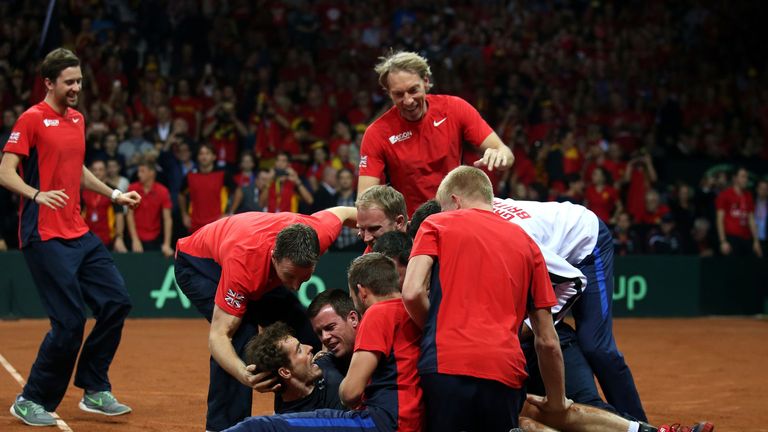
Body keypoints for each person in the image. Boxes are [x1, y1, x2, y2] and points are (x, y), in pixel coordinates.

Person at [0, 48, 140, 427]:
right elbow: (5, 171)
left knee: (116, 301)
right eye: (69, 82)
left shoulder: (77, 118)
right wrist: (36, 193)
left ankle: (94, 388)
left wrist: (113, 194)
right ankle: (31, 399)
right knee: (69, 322)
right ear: (48, 83)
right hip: (43, 234)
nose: (77, 87)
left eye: (79, 80)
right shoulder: (31, 119)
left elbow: (75, 168)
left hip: (78, 231)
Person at [403, 166, 569, 431]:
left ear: (455, 200)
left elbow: (411, 292)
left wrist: (434, 330)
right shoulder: (527, 243)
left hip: (446, 364)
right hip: (505, 370)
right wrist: (557, 401)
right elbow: (547, 340)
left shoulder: (436, 223)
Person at [173, 206, 357, 431]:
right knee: (242, 335)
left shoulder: (318, 233)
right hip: (200, 265)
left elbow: (348, 213)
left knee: (301, 327)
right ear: (274, 256)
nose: (296, 286)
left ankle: (313, 406)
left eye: (304, 278)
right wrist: (244, 375)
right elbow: (219, 337)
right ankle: (223, 426)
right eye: (290, 276)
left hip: (256, 263)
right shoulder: (244, 264)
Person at [224, 252, 423, 432]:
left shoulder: (376, 314)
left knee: (259, 427)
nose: (322, 340)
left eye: (353, 298)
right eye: (320, 332)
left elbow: (350, 394)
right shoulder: (413, 313)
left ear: (361, 292)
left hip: (381, 421)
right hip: (407, 419)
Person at [492, 195, 647, 421]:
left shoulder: (513, 238)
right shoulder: (473, 209)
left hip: (586, 244)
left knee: (596, 346)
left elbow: (573, 281)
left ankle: (640, 423)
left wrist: (530, 326)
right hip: (554, 245)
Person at [357, 51, 514, 215]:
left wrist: (500, 157)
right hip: (411, 226)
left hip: (456, 217)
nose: (408, 100)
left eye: (413, 90)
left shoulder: (454, 108)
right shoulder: (376, 133)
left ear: (425, 82)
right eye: (398, 94)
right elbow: (365, 199)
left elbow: (505, 153)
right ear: (389, 92)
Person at [244, 322, 345, 414]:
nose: (309, 347)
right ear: (285, 372)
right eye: (299, 350)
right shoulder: (296, 422)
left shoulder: (322, 363)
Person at [178, 143, 236, 233]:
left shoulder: (223, 174)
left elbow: (238, 192)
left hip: (217, 224)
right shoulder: (190, 175)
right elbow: (181, 195)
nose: (204, 156)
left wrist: (230, 212)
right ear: (197, 157)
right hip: (195, 224)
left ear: (214, 157)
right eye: (201, 153)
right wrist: (184, 215)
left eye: (207, 153)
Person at [126, 160, 174, 257]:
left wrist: (167, 243)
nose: (139, 174)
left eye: (142, 171)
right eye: (138, 171)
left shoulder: (162, 191)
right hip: (135, 237)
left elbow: (167, 219)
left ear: (152, 173)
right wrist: (135, 239)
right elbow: (129, 215)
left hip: (155, 238)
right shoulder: (132, 189)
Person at [81, 158, 128, 252]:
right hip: (86, 238)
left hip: (108, 239)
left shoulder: (113, 190)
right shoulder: (83, 190)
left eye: (100, 169)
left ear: (106, 171)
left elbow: (119, 214)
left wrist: (119, 237)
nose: (97, 172)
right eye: (95, 170)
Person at [715, 167, 762, 257]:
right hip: (731, 239)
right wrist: (723, 241)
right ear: (735, 178)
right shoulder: (724, 195)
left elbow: (751, 219)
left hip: (746, 238)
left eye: (746, 177)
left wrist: (756, 241)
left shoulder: (748, 196)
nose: (746, 180)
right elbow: (719, 219)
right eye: (743, 177)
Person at [355, 185, 408, 251]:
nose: (366, 239)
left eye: (373, 229)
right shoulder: (373, 251)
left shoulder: (423, 247)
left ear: (399, 222)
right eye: (362, 229)